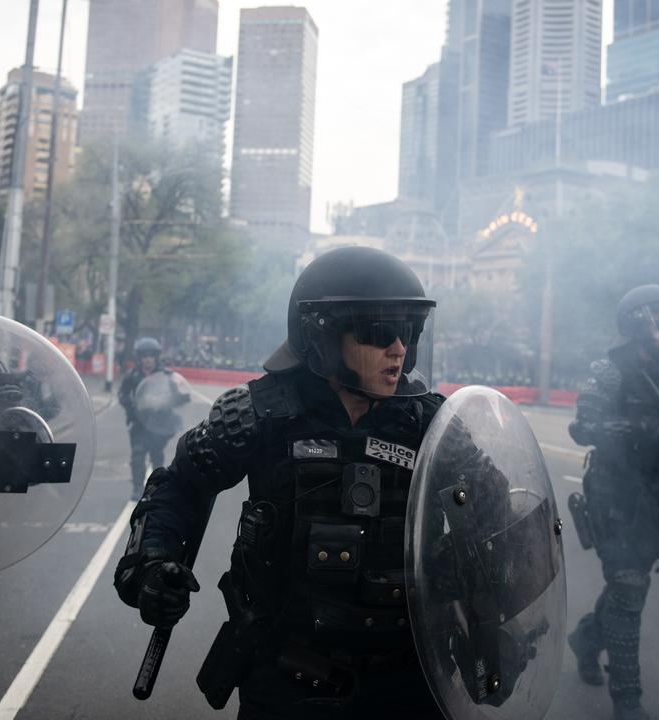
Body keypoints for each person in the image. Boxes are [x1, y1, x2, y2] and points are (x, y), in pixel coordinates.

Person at [113, 246, 449, 719]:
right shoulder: (257, 415)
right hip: (289, 681)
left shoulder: (434, 425)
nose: (398, 348)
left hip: (409, 682)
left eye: (409, 331)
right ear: (323, 337)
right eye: (379, 331)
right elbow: (176, 489)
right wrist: (151, 564)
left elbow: (496, 522)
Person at [565, 284, 659, 720]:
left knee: (627, 589)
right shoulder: (611, 374)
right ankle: (628, 701)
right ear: (636, 327)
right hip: (617, 497)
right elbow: (584, 427)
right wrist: (630, 430)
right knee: (630, 587)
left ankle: (585, 638)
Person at [118, 337, 191, 501]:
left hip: (159, 423)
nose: (148, 359)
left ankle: (156, 488)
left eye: (151, 356)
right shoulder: (133, 375)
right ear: (139, 358)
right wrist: (133, 406)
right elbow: (122, 394)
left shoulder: (166, 375)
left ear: (156, 357)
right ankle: (138, 488)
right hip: (138, 423)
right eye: (144, 356)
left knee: (156, 455)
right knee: (137, 454)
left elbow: (177, 396)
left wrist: (179, 398)